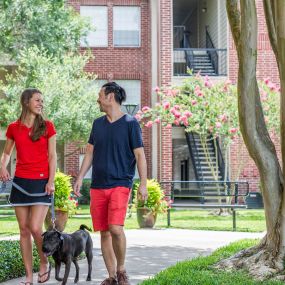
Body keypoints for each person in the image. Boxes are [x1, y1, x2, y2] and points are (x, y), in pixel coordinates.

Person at [74, 82, 148, 285]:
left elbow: (140, 155)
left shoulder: (130, 123)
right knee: (104, 232)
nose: (97, 99)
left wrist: (143, 183)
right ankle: (112, 276)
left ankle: (121, 269)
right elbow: (89, 152)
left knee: (115, 228)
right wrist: (80, 177)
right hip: (98, 185)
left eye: (100, 95)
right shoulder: (97, 124)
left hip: (120, 183)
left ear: (110, 96)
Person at [0, 88, 57, 285]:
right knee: (23, 230)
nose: (41, 103)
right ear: (26, 102)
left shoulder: (48, 126)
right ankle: (28, 275)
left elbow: (52, 156)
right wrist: (3, 167)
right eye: (37, 100)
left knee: (34, 227)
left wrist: (51, 181)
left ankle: (44, 262)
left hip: (41, 182)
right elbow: (7, 153)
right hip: (20, 182)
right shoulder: (14, 128)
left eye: (42, 100)